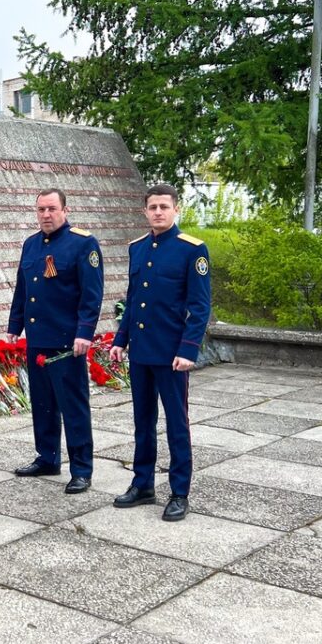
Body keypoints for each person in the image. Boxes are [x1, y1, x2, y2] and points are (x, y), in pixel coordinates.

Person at [109, 184, 211, 521]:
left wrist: (188, 349)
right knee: (143, 422)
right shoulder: (137, 249)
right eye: (152, 207)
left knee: (177, 424)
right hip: (141, 352)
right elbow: (134, 299)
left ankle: (179, 492)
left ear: (175, 210)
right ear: (145, 211)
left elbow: (199, 306)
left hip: (171, 355)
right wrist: (120, 340)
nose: (158, 212)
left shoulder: (191, 250)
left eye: (164, 207)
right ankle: (143, 484)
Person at [7, 188, 104, 493]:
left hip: (66, 341)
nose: (46, 215)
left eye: (51, 209)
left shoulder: (82, 243)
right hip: (38, 337)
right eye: (41, 210)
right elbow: (23, 288)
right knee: (43, 403)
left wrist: (84, 332)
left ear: (65, 209)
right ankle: (47, 457)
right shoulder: (31, 244)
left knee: (73, 405)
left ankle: (81, 469)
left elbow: (92, 294)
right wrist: (15, 325)